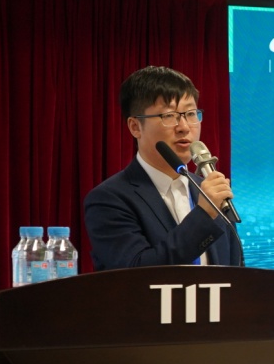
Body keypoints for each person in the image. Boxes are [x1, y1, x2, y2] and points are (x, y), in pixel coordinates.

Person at [84, 66, 242, 270]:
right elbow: (136, 271)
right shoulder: (109, 199)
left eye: (191, 114)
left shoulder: (209, 192)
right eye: (169, 116)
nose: (184, 127)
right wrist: (203, 215)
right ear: (135, 127)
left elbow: (234, 271)